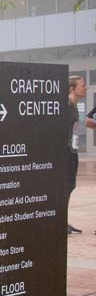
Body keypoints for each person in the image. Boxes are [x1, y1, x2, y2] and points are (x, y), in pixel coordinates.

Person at [68, 75, 85, 234]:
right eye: (82, 85)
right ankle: (60, 220)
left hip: (73, 150)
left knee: (70, 185)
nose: (84, 88)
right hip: (66, 151)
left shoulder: (75, 105)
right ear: (72, 88)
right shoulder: (67, 104)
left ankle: (63, 219)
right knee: (66, 186)